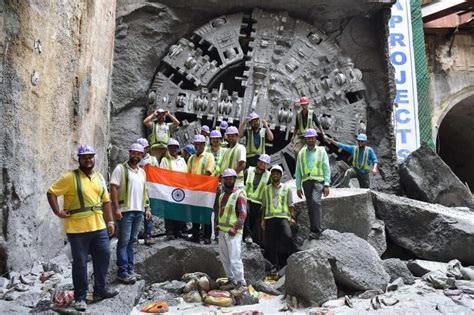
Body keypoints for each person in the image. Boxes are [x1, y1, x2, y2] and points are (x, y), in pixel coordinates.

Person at [47, 145, 118, 312]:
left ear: (94, 158)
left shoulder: (99, 177)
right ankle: (80, 297)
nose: (88, 159)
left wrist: (110, 222)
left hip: (98, 226)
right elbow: (51, 192)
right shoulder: (70, 177)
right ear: (79, 159)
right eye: (85, 157)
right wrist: (58, 211)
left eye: (91, 156)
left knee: (104, 257)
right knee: (80, 263)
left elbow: (106, 201)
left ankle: (100, 290)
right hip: (77, 229)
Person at [110, 143, 151, 284]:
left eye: (139, 154)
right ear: (129, 153)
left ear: (142, 155)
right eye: (134, 153)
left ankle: (130, 270)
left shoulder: (142, 172)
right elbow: (114, 188)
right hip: (125, 212)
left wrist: (147, 208)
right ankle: (122, 272)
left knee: (132, 241)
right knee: (124, 242)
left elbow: (145, 191)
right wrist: (116, 208)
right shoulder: (120, 169)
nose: (136, 156)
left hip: (138, 211)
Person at [295, 128, 331, 240]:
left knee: (315, 202)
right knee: (310, 207)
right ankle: (314, 230)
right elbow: (298, 170)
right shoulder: (301, 153)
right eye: (308, 138)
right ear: (305, 139)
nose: (310, 140)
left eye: (312, 138)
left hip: (318, 182)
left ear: (315, 138)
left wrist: (326, 184)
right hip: (306, 183)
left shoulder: (321, 150)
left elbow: (326, 167)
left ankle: (316, 230)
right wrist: (298, 187)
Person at [217, 169, 247, 289]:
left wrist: (235, 228)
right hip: (222, 231)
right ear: (223, 180)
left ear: (234, 179)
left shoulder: (239, 194)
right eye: (226, 178)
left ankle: (241, 282)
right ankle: (231, 280)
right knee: (224, 258)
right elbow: (220, 212)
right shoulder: (222, 195)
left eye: (231, 178)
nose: (228, 180)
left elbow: (243, 214)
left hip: (233, 232)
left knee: (235, 259)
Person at [261, 165, 295, 271]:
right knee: (271, 242)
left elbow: (290, 204)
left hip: (283, 217)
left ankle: (291, 260)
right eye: (273, 173)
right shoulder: (266, 189)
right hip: (270, 218)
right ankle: (275, 265)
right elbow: (263, 206)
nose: (275, 175)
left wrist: (292, 217)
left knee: (288, 237)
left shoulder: (286, 188)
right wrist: (262, 220)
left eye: (277, 173)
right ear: (271, 175)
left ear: (280, 175)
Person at [187, 134, 216, 244]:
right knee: (195, 214)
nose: (198, 146)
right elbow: (188, 174)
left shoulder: (209, 156)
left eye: (200, 144)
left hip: (205, 190)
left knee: (206, 214)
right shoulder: (191, 158)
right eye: (196, 144)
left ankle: (207, 237)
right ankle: (195, 236)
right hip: (194, 191)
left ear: (204, 145)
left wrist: (199, 185)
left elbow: (208, 172)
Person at [160, 138, 188, 240]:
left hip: (181, 190)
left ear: (178, 148)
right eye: (171, 147)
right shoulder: (165, 160)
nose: (173, 149)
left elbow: (186, 174)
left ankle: (180, 231)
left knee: (180, 210)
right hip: (170, 189)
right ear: (168, 149)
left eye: (175, 147)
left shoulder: (182, 160)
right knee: (170, 211)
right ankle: (170, 232)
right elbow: (162, 175)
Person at [243, 154, 271, 245]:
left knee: (254, 219)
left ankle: (248, 235)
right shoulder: (249, 171)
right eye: (261, 162)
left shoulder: (268, 176)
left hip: (258, 202)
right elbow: (242, 183)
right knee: (246, 213)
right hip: (246, 198)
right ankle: (247, 235)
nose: (263, 164)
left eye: (265, 163)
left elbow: (268, 191)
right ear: (258, 162)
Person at [136, 138, 157, 246]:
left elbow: (158, 174)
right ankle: (135, 236)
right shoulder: (134, 159)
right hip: (137, 189)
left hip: (149, 189)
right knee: (136, 212)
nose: (141, 150)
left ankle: (148, 235)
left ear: (147, 148)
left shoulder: (152, 160)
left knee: (148, 213)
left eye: (143, 148)